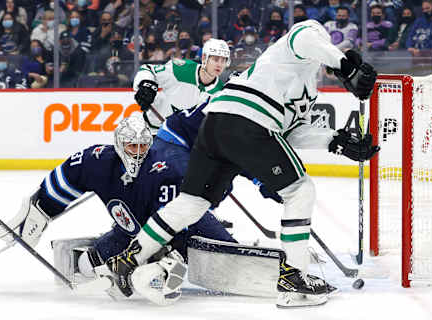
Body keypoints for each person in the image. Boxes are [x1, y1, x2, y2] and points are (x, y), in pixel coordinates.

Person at [107, 19, 379, 308]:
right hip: (247, 123)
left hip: (215, 125)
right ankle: (294, 279)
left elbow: (292, 132)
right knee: (300, 191)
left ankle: (129, 259)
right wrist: (343, 63)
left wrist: (336, 141)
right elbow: (306, 37)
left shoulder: (308, 89)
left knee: (191, 203)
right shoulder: (297, 44)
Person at [0, 112, 235, 304]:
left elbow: (178, 222)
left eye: (143, 147)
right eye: (132, 147)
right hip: (129, 234)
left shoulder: (166, 170)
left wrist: (168, 258)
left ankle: (160, 264)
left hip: (185, 227)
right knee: (85, 267)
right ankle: (142, 263)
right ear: (120, 144)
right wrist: (40, 210)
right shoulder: (97, 161)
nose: (138, 153)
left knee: (157, 276)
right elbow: (65, 177)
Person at [132, 38, 230, 135]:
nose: (219, 65)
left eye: (223, 60)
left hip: (180, 141)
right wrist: (146, 84)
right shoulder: (181, 70)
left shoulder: (219, 92)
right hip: (150, 131)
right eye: (216, 59)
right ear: (204, 58)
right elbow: (148, 69)